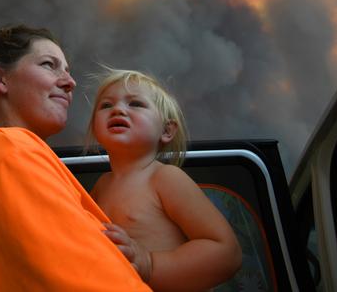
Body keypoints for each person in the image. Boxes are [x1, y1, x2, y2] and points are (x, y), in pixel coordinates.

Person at [0, 25, 151, 291]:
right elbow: (87, 280)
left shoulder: (5, 154)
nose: (69, 82)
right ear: (0, 78)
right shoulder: (10, 150)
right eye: (49, 65)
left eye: (67, 70)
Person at [87, 68, 242, 291]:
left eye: (136, 104)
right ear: (95, 127)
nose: (118, 109)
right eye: (106, 105)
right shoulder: (101, 186)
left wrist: (150, 264)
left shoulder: (165, 178)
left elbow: (227, 252)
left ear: (167, 130)